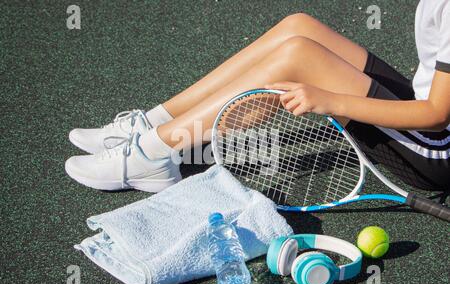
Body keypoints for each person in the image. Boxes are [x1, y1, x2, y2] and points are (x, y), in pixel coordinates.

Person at [65, 1, 450, 194]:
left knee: (301, 58)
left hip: (434, 151)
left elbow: (436, 114)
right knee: (299, 28)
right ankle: (154, 124)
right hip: (424, 104)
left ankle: (153, 154)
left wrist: (329, 99)